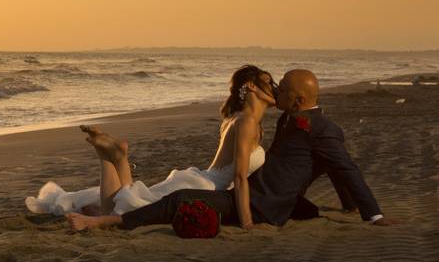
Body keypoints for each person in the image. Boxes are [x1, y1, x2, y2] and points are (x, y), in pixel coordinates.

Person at [65, 69, 392, 232]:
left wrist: (371, 214)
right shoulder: (285, 120)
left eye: (282, 90)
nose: (276, 91)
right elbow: (327, 169)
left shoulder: (321, 130)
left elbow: (345, 169)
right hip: (256, 193)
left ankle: (100, 221)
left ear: (298, 102)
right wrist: (345, 207)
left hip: (260, 201)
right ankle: (111, 177)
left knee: (179, 200)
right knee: (157, 197)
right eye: (272, 86)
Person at [26, 65, 277, 228]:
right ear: (252, 87)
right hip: (202, 187)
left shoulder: (237, 118)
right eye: (268, 82)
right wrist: (247, 223)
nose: (273, 87)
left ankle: (114, 157)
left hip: (198, 180)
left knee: (132, 201)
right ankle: (112, 157)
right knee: (121, 207)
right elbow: (240, 178)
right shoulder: (247, 122)